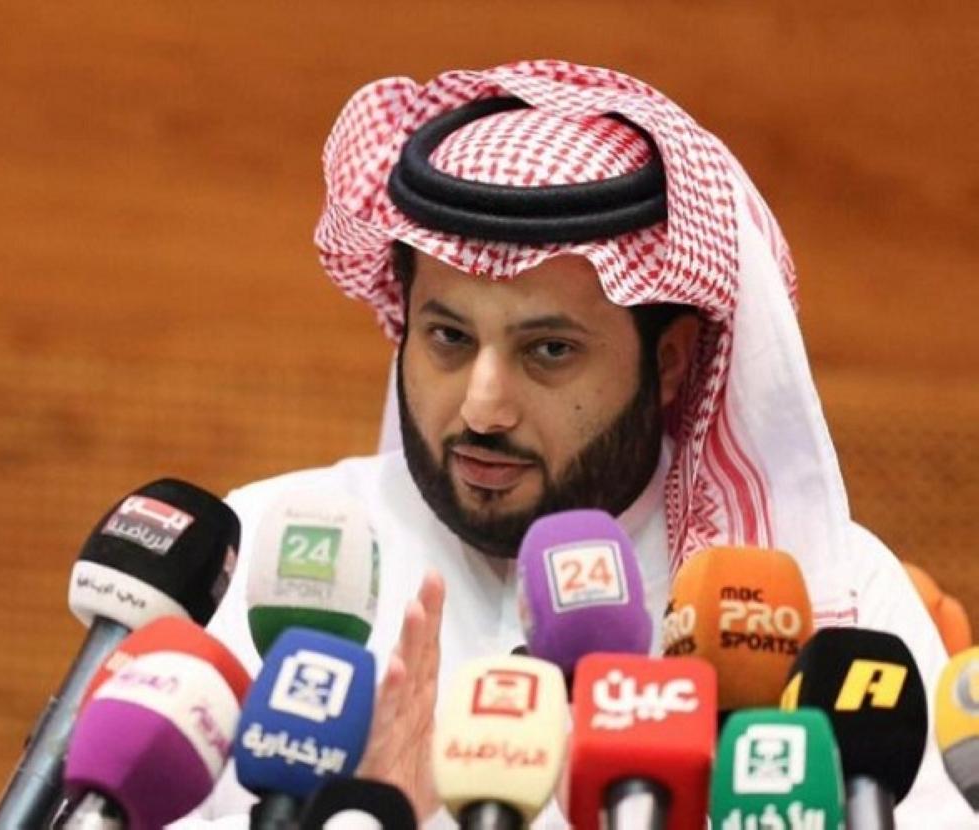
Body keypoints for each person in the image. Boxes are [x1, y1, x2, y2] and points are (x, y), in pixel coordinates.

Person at [186, 60, 974, 827]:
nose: (484, 407)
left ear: (671, 362)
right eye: (449, 338)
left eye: (549, 351)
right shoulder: (267, 548)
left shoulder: (832, 600)